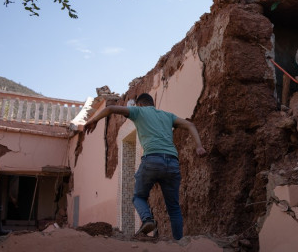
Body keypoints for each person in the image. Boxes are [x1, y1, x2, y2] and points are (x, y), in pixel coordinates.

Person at [83, 93, 206, 239]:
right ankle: (179, 244)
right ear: (152, 103)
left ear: (139, 104)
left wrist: (94, 120)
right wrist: (199, 146)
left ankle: (147, 220)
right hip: (172, 162)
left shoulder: (138, 111)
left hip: (152, 160)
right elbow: (190, 125)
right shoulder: (168, 116)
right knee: (174, 208)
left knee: (138, 197)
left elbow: (110, 109)